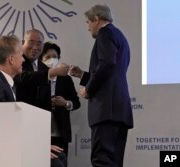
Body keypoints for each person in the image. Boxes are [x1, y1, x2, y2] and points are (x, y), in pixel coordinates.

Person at [0, 35, 65, 167]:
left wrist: (37, 145)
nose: (23, 59)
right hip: (2, 153)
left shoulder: (3, 82)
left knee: (59, 156)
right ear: (11, 59)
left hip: (9, 147)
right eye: (21, 55)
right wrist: (35, 149)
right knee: (56, 163)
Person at [70, 4, 133, 167]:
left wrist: (89, 89)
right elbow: (111, 72)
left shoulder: (105, 34)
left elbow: (106, 64)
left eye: (87, 22)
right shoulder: (119, 36)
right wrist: (83, 76)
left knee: (102, 161)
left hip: (106, 111)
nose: (87, 27)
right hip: (118, 111)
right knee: (114, 162)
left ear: (96, 19)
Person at [14, 29, 69, 167]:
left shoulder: (44, 68)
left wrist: (44, 140)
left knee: (60, 157)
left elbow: (45, 105)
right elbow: (23, 78)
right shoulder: (18, 62)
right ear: (22, 43)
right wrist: (53, 72)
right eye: (31, 42)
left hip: (40, 129)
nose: (35, 47)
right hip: (20, 127)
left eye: (39, 43)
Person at [40, 41, 80, 159]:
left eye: (55, 57)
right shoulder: (36, 78)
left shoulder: (65, 79)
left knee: (60, 162)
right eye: (48, 57)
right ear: (41, 59)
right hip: (39, 131)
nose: (52, 60)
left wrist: (65, 103)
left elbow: (76, 102)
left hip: (60, 132)